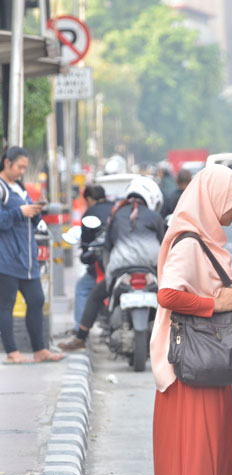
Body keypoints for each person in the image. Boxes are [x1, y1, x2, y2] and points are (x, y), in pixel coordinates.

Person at [149, 164, 232, 475]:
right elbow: (166, 294)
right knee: (195, 471)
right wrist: (215, 305)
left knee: (218, 466)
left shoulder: (205, 241)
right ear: (213, 200)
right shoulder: (189, 243)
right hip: (189, 376)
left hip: (210, 368)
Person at [59, 176, 165, 351]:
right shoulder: (154, 217)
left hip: (120, 269)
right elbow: (164, 244)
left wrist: (109, 273)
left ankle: (80, 338)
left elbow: (108, 245)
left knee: (95, 295)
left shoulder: (116, 214)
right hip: (150, 269)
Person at [0, 146, 64, 363]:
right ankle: (12, 352)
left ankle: (39, 349)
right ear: (7, 163)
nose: (22, 172)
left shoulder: (19, 187)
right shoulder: (2, 188)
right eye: (19, 167)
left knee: (36, 300)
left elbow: (27, 212)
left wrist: (36, 212)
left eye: (24, 168)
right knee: (6, 305)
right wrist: (20, 212)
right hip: (6, 258)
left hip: (28, 259)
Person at [69, 184, 113, 335]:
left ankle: (79, 331)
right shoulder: (116, 209)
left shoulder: (90, 214)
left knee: (83, 287)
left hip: (103, 264)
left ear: (88, 199)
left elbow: (86, 245)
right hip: (123, 262)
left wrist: (86, 256)